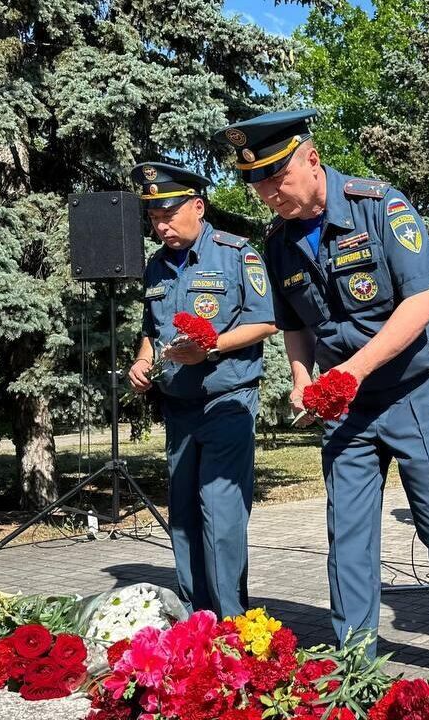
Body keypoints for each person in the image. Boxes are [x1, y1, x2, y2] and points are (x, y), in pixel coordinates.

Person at [218, 109, 429, 692]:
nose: (270, 193)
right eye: (259, 184)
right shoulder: (280, 240)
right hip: (346, 408)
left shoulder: (380, 206)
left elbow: (423, 302)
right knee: (347, 532)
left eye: (278, 176)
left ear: (312, 158)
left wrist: (350, 370)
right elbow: (294, 322)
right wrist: (300, 377)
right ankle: (356, 657)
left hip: (413, 391)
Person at [125, 162, 277, 620]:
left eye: (169, 214)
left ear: (198, 205)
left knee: (221, 510)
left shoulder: (236, 255)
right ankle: (196, 615)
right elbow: (152, 328)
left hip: (227, 400)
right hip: (179, 406)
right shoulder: (156, 266)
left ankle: (232, 620)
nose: (161, 225)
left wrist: (209, 348)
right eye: (153, 218)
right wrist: (142, 360)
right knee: (186, 514)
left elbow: (266, 320)